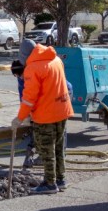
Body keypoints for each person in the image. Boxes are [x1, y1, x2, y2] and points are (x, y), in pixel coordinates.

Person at [12, 38, 73, 194]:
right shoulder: (56, 60)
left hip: (45, 114)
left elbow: (29, 97)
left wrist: (19, 118)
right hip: (62, 110)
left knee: (46, 149)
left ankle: (50, 183)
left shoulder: (33, 68)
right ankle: (61, 179)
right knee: (59, 147)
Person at [10, 59, 37, 168]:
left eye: (18, 75)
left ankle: (55, 159)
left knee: (51, 133)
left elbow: (32, 97)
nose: (19, 78)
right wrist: (25, 114)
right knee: (36, 130)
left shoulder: (32, 74)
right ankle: (32, 156)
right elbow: (24, 98)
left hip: (58, 100)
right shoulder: (22, 78)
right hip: (40, 104)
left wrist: (22, 116)